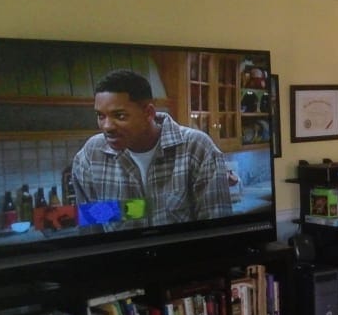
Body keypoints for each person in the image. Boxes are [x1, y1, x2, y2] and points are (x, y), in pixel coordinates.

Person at [71, 69, 232, 230]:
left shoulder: (197, 148)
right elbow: (92, 231)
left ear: (148, 113)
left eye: (120, 116)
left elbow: (217, 230)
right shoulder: (91, 155)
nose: (107, 126)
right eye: (101, 116)